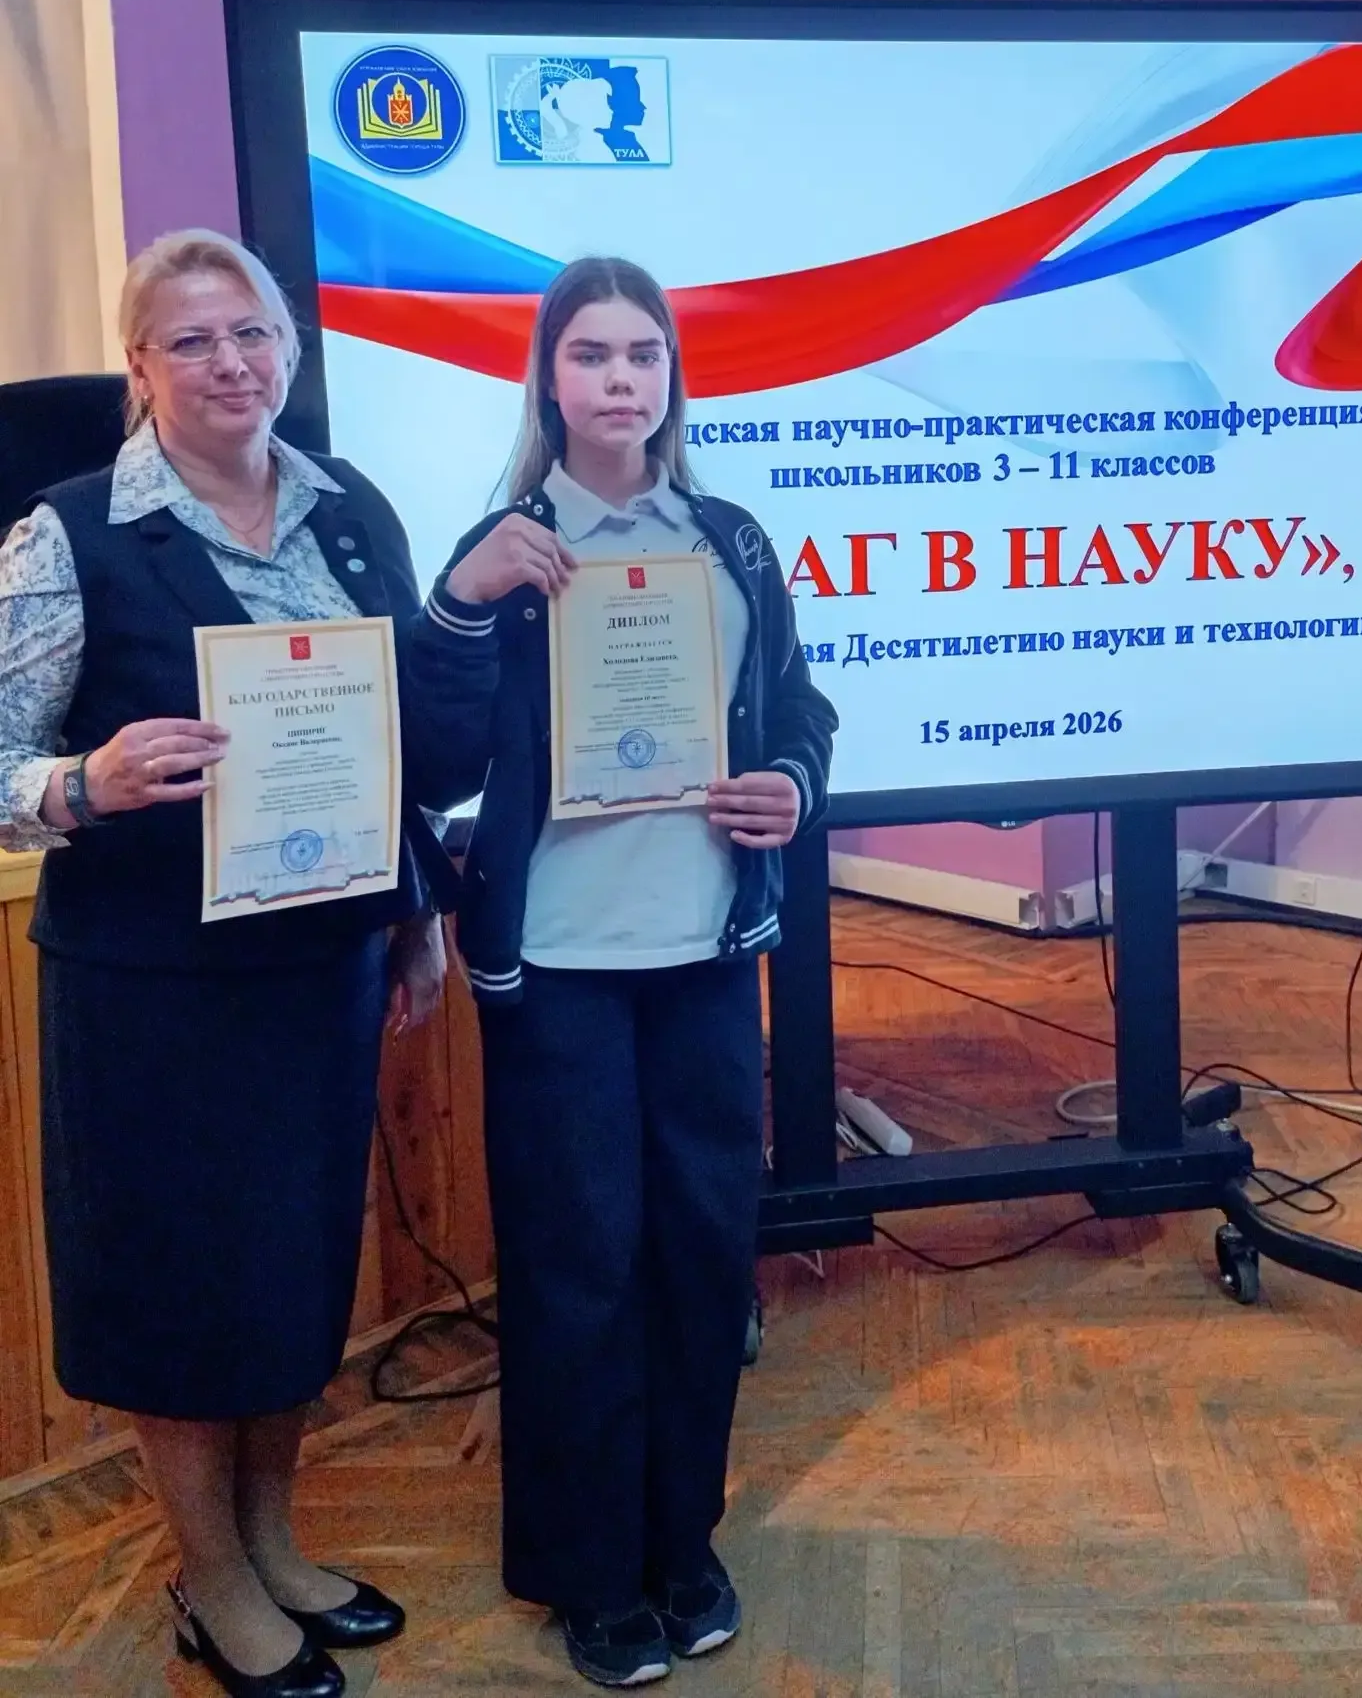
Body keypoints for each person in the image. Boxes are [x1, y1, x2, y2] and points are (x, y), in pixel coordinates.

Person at [0, 230, 456, 1698]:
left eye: (251, 332)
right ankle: (208, 1579)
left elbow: (389, 738)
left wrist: (417, 905)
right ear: (139, 367)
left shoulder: (349, 511)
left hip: (318, 968)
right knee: (180, 1287)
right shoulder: (67, 535)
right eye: (190, 340)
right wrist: (84, 784)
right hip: (152, 988)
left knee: (288, 1272)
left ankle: (271, 1543)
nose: (230, 363)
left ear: (289, 350)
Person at [404, 257, 837, 1689]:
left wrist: (790, 782)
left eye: (642, 354)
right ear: (547, 378)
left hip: (704, 956)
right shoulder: (505, 555)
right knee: (579, 1269)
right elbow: (436, 762)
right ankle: (589, 1571)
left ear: (670, 376)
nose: (619, 380)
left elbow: (799, 708)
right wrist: (457, 607)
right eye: (590, 354)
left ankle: (681, 1542)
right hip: (559, 970)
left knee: (703, 1260)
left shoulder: (732, 540)